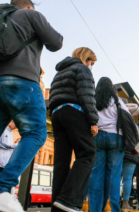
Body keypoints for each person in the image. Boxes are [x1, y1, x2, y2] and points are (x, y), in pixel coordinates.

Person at [0, 0, 63, 211]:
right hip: (22, 82)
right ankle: (0, 190)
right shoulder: (29, 15)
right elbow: (56, 43)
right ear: (28, 7)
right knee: (36, 133)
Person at [49, 47, 98, 212]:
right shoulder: (82, 69)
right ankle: (69, 201)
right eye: (91, 62)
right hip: (74, 111)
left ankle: (58, 206)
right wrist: (93, 121)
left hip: (56, 114)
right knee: (87, 153)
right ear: (87, 59)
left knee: (61, 162)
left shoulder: (59, 73)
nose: (91, 66)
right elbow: (87, 95)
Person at [87, 77, 129, 212]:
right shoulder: (117, 101)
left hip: (97, 137)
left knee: (96, 175)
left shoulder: (94, 100)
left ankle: (95, 209)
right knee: (113, 176)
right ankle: (114, 209)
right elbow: (127, 117)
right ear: (112, 88)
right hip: (116, 138)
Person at [121, 102, 139, 212]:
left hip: (120, 152)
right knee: (127, 179)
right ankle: (125, 204)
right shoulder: (135, 126)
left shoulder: (118, 121)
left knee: (117, 178)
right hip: (132, 154)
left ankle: (113, 202)